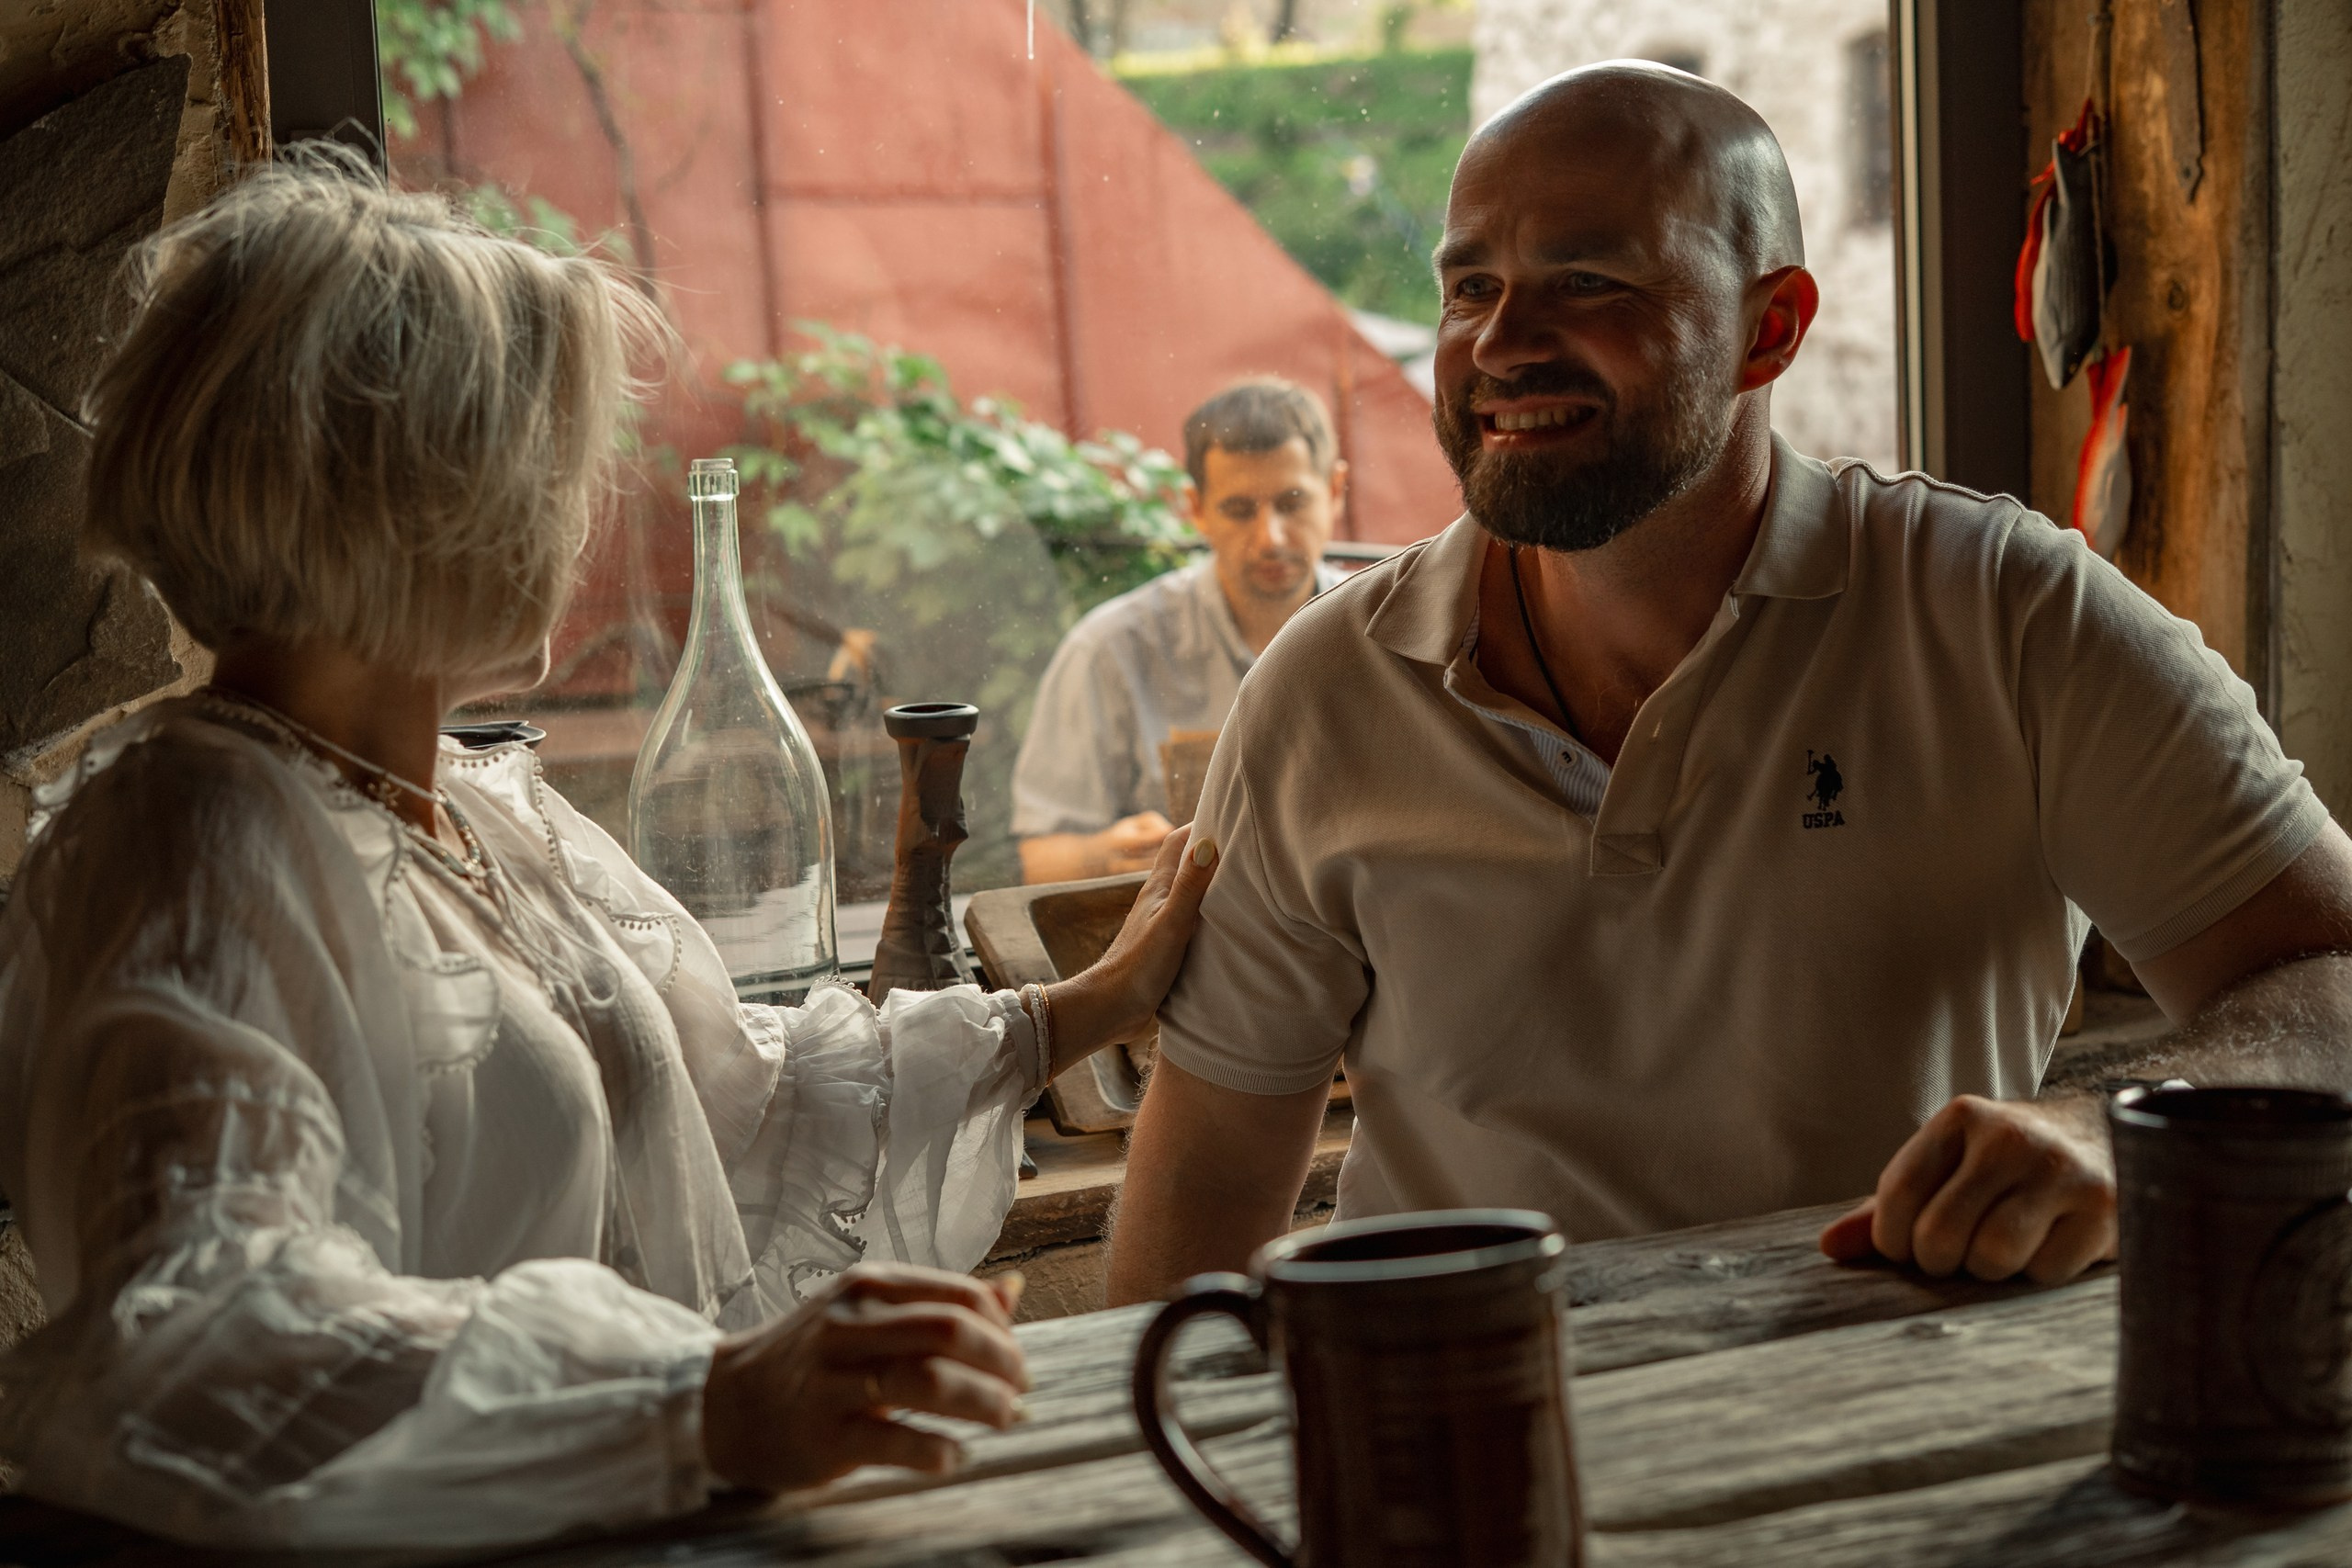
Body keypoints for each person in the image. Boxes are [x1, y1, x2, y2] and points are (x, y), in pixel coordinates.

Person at [0, 155, 1216, 1551]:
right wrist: (692, 1401)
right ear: (415, 497)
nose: (580, 513)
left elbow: (728, 1102)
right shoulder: (196, 842)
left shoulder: (473, 810)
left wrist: (1086, 1008)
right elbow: (203, 1328)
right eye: (550, 465)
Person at [1107, 63, 2352, 1306]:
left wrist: (2121, 1129)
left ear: (1771, 326)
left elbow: (2327, 977)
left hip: (1891, 1434)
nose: (1500, 342)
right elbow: (1211, 1173)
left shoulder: (2009, 613)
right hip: (1461, 1435)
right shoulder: (1327, 688)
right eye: (1470, 286)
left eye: (1586, 282)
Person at [1012, 378, 1348, 884]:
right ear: (1196, 509)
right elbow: (1040, 860)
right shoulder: (1111, 650)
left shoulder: (1381, 633)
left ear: (1336, 492)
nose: (1270, 537)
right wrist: (1107, 855)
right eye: (1239, 509)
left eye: (1292, 502)